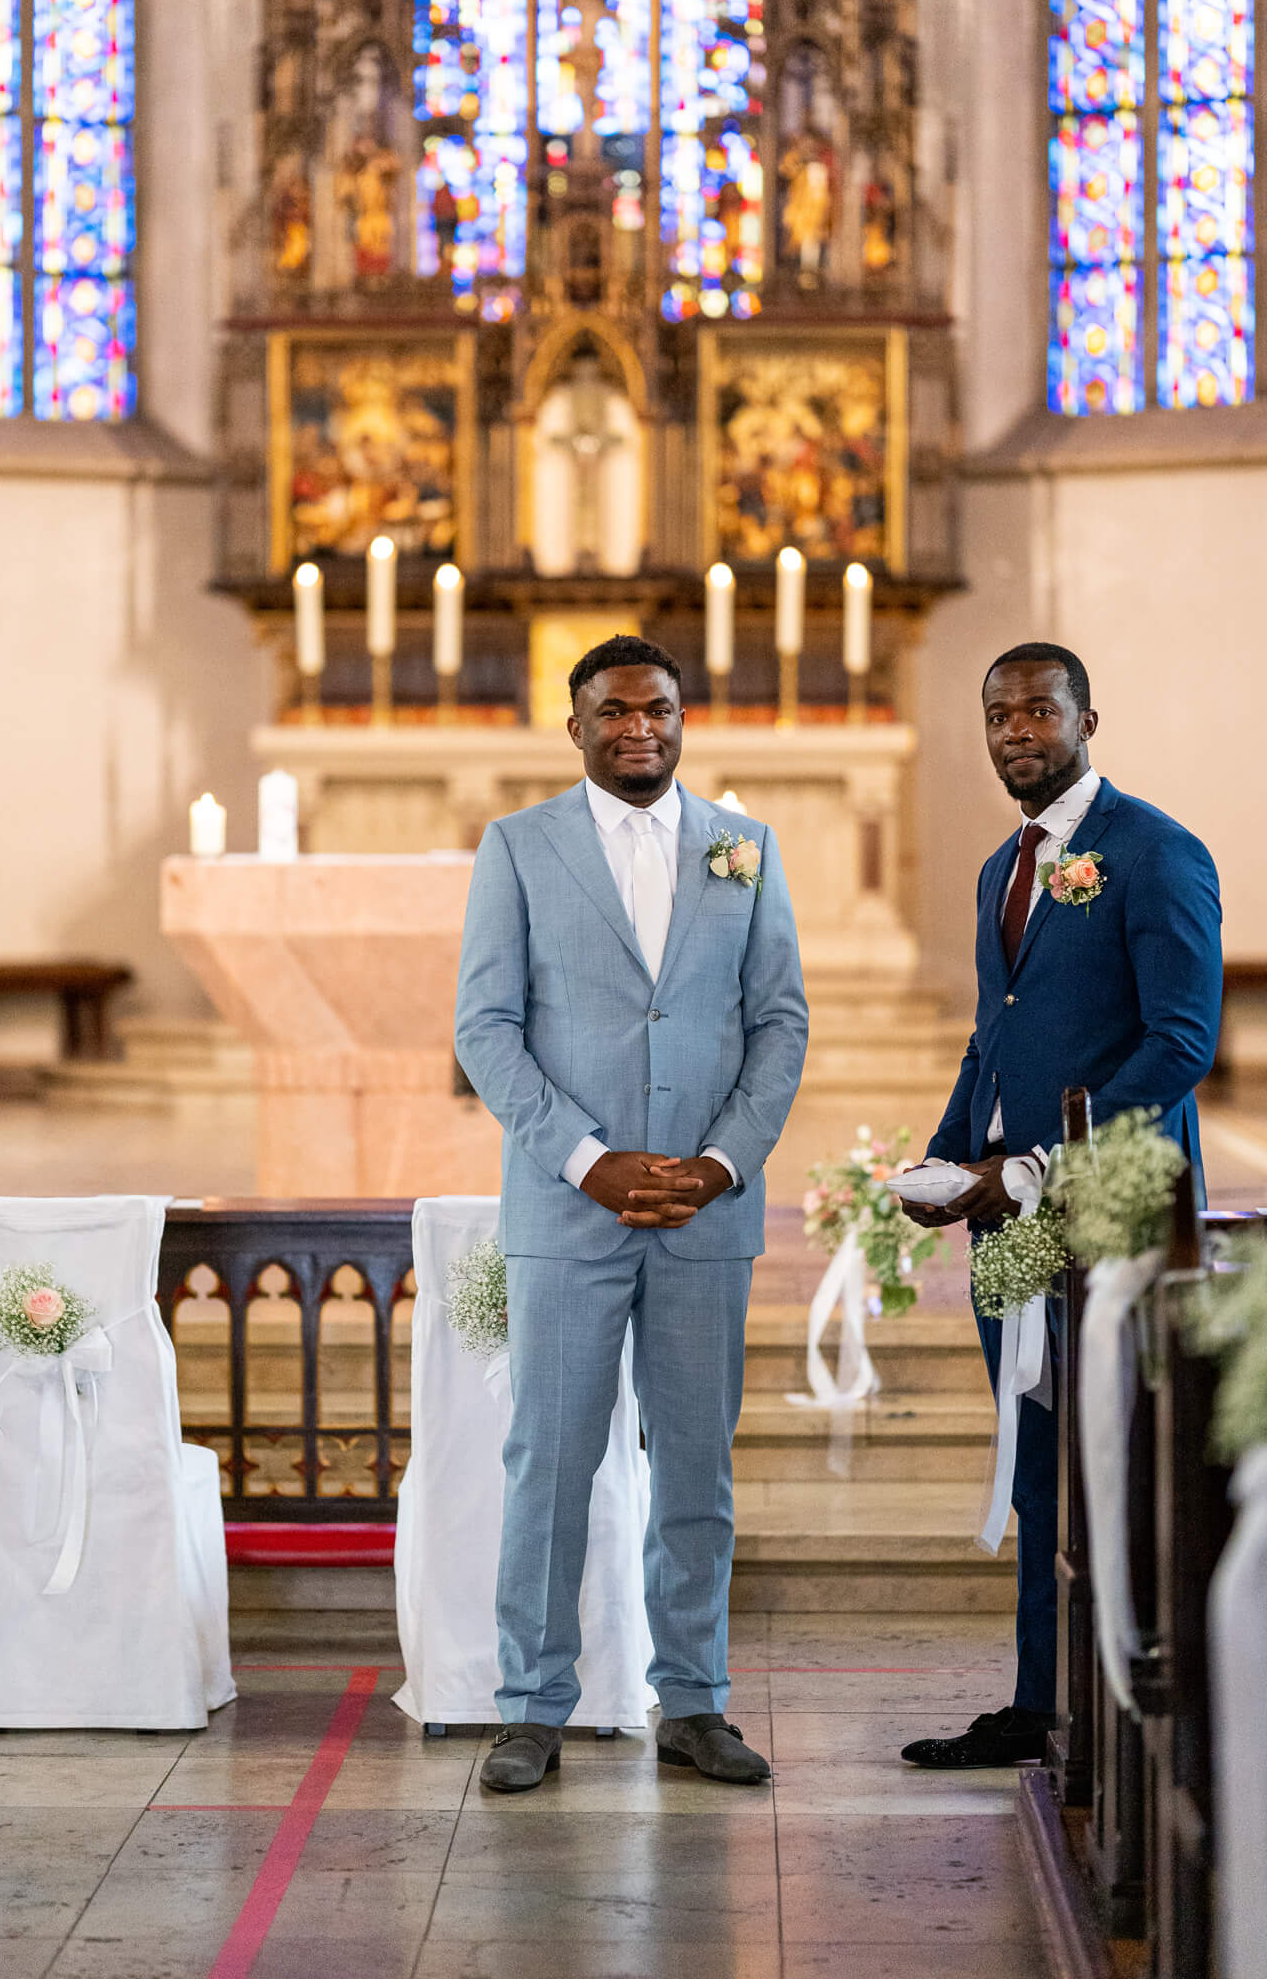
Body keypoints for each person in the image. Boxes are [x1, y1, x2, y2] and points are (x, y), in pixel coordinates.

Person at [455, 635, 809, 1793]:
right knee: (550, 1462)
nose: (637, 728)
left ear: (682, 719)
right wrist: (586, 1160)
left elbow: (780, 1022)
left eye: (656, 708)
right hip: (571, 1214)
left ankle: (694, 1703)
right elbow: (485, 1029)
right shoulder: (519, 847)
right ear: (577, 727)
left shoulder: (744, 848)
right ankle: (531, 1707)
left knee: (696, 1468)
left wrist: (721, 1164)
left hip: (705, 1214)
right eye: (613, 711)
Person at [899, 642, 1222, 1769]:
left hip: (1108, 1213)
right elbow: (994, 1033)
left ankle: (1136, 1717)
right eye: (999, 715)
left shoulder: (1156, 851)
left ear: (1089, 720)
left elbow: (1181, 1042)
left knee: (1118, 1463)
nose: (1017, 732)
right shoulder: (1005, 865)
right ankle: (1041, 1703)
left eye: (1040, 710)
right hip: (1005, 1224)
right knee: (1036, 1461)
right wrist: (946, 1158)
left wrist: (1042, 1164)